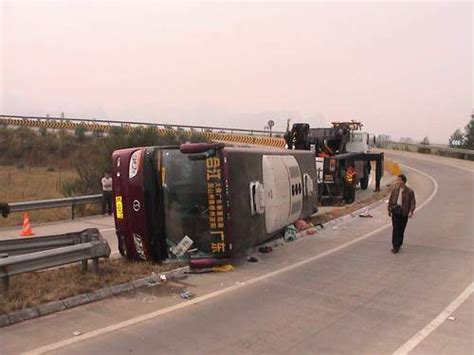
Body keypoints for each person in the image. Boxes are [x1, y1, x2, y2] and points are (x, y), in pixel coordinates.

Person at [388, 174, 416, 253]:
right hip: (396, 210)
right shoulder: (395, 190)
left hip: (404, 212)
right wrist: (389, 210)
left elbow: (412, 202)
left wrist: (411, 211)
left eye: (398, 180)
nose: (397, 181)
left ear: (403, 181)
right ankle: (395, 246)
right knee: (395, 228)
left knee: (401, 229)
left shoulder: (409, 191)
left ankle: (399, 243)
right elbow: (391, 200)